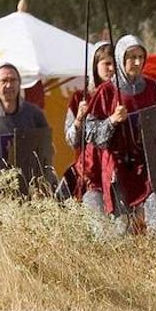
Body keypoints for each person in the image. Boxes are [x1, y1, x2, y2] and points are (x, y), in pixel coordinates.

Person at [83, 35, 156, 235]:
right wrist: (112, 120)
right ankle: (124, 264)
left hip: (146, 166)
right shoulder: (106, 91)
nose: (137, 62)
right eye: (131, 57)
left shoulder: (151, 88)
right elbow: (90, 133)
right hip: (118, 168)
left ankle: (154, 260)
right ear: (121, 58)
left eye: (140, 57)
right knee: (123, 229)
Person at [0, 63, 52, 181]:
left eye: (13, 80)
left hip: (26, 189)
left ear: (19, 83)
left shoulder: (34, 114)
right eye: (3, 81)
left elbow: (47, 153)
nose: (9, 85)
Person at [62, 42, 113, 212]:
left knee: (121, 231)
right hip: (91, 175)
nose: (111, 68)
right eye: (107, 63)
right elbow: (71, 140)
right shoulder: (80, 98)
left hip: (118, 174)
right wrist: (78, 119)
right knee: (98, 228)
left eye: (115, 63)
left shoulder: (123, 98)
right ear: (95, 66)